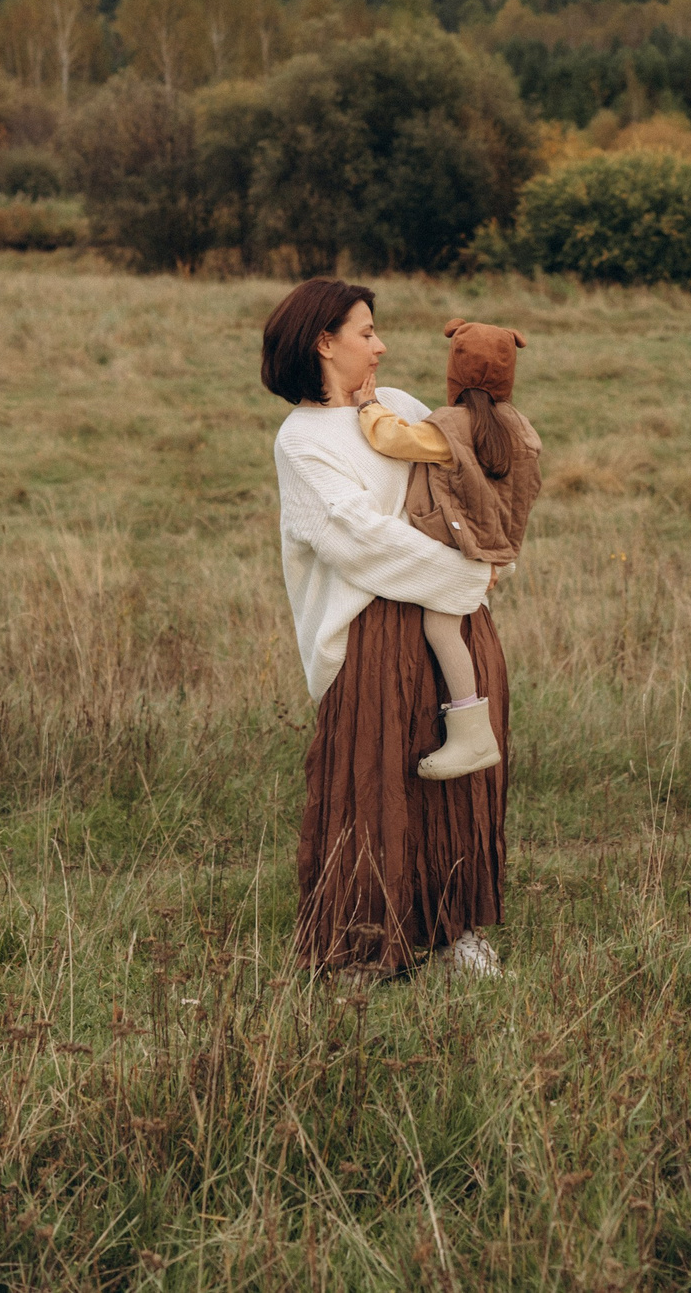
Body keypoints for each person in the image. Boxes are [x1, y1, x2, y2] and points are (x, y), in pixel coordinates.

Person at [264, 278, 510, 979]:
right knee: (377, 780)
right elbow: (356, 537)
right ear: (324, 341)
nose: (381, 344)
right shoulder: (302, 441)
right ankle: (367, 941)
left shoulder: (397, 407)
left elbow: (459, 477)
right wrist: (465, 574)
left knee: (458, 774)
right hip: (374, 629)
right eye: (366, 332)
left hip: (451, 621)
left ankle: (455, 928)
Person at [353, 318, 543, 781]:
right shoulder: (517, 427)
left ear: (454, 372)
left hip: (457, 547)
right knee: (449, 626)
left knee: (441, 629)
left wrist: (368, 406)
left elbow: (394, 439)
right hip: (492, 543)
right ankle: (471, 732)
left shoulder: (454, 427)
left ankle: (472, 734)